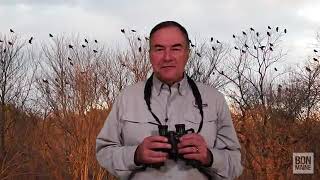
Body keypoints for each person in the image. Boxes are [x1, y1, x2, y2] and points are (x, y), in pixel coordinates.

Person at [96, 21, 242, 180]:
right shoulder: (127, 97)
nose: (167, 57)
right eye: (159, 49)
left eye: (176, 48)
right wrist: (135, 155)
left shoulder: (214, 99)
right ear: (150, 54)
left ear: (188, 53)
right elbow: (104, 151)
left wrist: (209, 157)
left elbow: (235, 163)